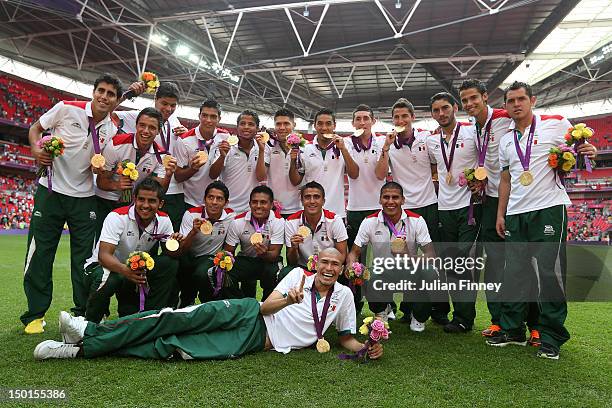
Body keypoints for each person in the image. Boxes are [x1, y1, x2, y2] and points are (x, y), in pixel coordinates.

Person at [34, 248, 383, 361]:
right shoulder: (298, 277)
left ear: (341, 269)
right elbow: (264, 307)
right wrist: (287, 299)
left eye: (335, 264)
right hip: (250, 314)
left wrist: (366, 348)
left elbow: (346, 339)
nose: (328, 268)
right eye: (323, 262)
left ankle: (79, 350)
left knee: (175, 348)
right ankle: (90, 329)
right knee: (172, 318)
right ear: (315, 264)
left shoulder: (345, 297)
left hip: (258, 342)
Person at [487, 81, 597, 359]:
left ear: (532, 100)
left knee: (550, 274)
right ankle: (513, 330)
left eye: (521, 99)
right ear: (506, 106)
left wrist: (590, 151)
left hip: (548, 208)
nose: (516, 105)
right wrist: (501, 213)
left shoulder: (557, 123)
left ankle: (551, 336)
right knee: (514, 273)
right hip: (515, 212)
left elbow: (582, 147)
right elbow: (506, 178)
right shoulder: (505, 140)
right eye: (510, 101)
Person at [22, 73, 123, 334]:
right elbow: (35, 128)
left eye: (110, 94)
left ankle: (82, 312)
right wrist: (36, 151)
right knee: (41, 253)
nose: (104, 96)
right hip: (51, 190)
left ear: (115, 100)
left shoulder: (112, 128)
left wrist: (106, 174)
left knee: (85, 259)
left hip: (84, 197)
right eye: (100, 90)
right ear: (93, 92)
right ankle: (35, 315)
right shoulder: (67, 108)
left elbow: (103, 169)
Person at [458, 79, 540, 344]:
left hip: (520, 200)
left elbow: (534, 123)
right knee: (493, 265)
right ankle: (498, 321)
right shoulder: (474, 128)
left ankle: (535, 324)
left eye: (474, 98)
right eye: (465, 100)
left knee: (524, 264)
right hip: (490, 202)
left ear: (485, 97)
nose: (469, 104)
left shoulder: (505, 116)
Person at [375, 98, 443, 324]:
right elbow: (380, 173)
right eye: (396, 117)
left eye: (405, 116)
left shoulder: (426, 138)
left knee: (430, 260)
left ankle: (436, 310)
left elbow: (437, 164)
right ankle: (407, 308)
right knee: (402, 258)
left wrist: (433, 183)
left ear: (412, 117)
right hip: (403, 210)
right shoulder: (388, 145)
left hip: (428, 206)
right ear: (392, 121)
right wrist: (386, 147)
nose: (401, 120)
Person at [84, 178, 182, 323]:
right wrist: (126, 271)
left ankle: (151, 317)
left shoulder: (164, 220)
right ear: (134, 199)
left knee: (170, 263)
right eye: (141, 199)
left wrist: (180, 241)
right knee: (110, 278)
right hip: (103, 268)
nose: (145, 205)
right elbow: (103, 256)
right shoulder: (117, 216)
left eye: (152, 201)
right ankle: (90, 324)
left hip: (132, 271)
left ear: (160, 203)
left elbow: (171, 254)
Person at [426, 92, 481, 334]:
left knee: (464, 262)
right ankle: (455, 315)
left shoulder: (472, 132)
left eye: (445, 108)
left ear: (455, 108)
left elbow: (485, 161)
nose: (441, 113)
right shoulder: (430, 141)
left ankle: (464, 317)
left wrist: (479, 180)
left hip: (469, 206)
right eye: (436, 110)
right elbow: (430, 167)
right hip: (444, 207)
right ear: (432, 114)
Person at [347, 182, 436, 330]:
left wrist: (408, 255)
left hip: (410, 271)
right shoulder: (369, 221)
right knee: (368, 274)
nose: (390, 201)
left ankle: (419, 316)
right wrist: (351, 264)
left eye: (395, 197)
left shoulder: (416, 220)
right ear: (380, 200)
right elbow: (354, 252)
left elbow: (431, 255)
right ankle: (381, 310)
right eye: (386, 197)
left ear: (403, 200)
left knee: (430, 272)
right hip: (383, 272)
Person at [114, 82, 188, 230]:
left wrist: (186, 133)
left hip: (173, 190)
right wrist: (127, 95)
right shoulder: (139, 116)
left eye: (173, 105)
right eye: (164, 103)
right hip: (149, 190)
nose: (168, 109)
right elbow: (109, 114)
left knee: (168, 238)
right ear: (155, 99)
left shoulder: (174, 121)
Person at [95, 107, 177, 231]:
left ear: (159, 131)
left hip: (133, 206)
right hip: (107, 200)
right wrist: (117, 185)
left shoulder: (162, 155)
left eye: (152, 128)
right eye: (142, 125)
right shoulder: (116, 145)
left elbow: (158, 190)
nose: (146, 131)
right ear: (136, 126)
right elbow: (101, 182)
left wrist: (169, 175)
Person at [289, 108, 359, 219]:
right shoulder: (305, 148)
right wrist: (293, 161)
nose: (324, 128)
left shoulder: (345, 146)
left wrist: (343, 149)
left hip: (337, 213)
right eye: (320, 124)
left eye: (328, 124)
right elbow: (295, 181)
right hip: (310, 213)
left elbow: (354, 174)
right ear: (315, 126)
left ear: (334, 126)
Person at [177, 181, 235, 305]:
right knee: (180, 271)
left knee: (202, 273)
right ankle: (185, 304)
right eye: (210, 197)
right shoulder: (191, 214)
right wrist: (193, 232)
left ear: (226, 203)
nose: (214, 202)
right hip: (189, 257)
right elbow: (182, 249)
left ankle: (208, 305)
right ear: (204, 199)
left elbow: (229, 247)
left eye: (219, 199)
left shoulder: (231, 217)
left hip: (210, 259)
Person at [223, 185, 284, 301]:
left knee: (274, 272)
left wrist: (263, 253)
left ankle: (266, 306)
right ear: (250, 204)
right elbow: (228, 252)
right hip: (247, 259)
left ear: (271, 205)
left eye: (263, 202)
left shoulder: (278, 221)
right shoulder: (238, 222)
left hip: (268, 261)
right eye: (255, 202)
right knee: (225, 269)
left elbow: (275, 254)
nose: (258, 206)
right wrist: (225, 259)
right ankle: (239, 304)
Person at [283, 181, 348, 277]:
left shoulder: (334, 220)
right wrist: (293, 248)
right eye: (307, 197)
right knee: (285, 273)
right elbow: (292, 262)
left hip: (329, 267)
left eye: (316, 197)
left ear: (323, 201)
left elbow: (342, 254)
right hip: (303, 268)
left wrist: (327, 268)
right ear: (301, 200)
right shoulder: (291, 222)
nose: (312, 201)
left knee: (346, 276)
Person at [174, 100, 230, 210]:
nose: (208, 120)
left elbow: (213, 175)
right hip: (189, 200)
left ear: (219, 119)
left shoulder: (224, 137)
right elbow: (178, 177)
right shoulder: (184, 140)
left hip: (212, 202)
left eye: (213, 116)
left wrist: (222, 156)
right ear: (199, 116)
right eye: (204, 115)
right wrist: (193, 169)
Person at [209, 109, 268, 212]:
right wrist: (222, 156)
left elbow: (261, 177)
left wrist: (261, 151)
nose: (246, 127)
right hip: (227, 207)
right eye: (242, 124)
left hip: (250, 209)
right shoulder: (226, 145)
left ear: (257, 128)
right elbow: (213, 175)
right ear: (237, 127)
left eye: (251, 124)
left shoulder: (262, 147)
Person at [267, 108, 302, 217]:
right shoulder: (268, 146)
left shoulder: (304, 147)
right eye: (278, 124)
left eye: (286, 123)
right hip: (273, 209)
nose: (282, 128)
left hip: (298, 208)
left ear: (294, 125)